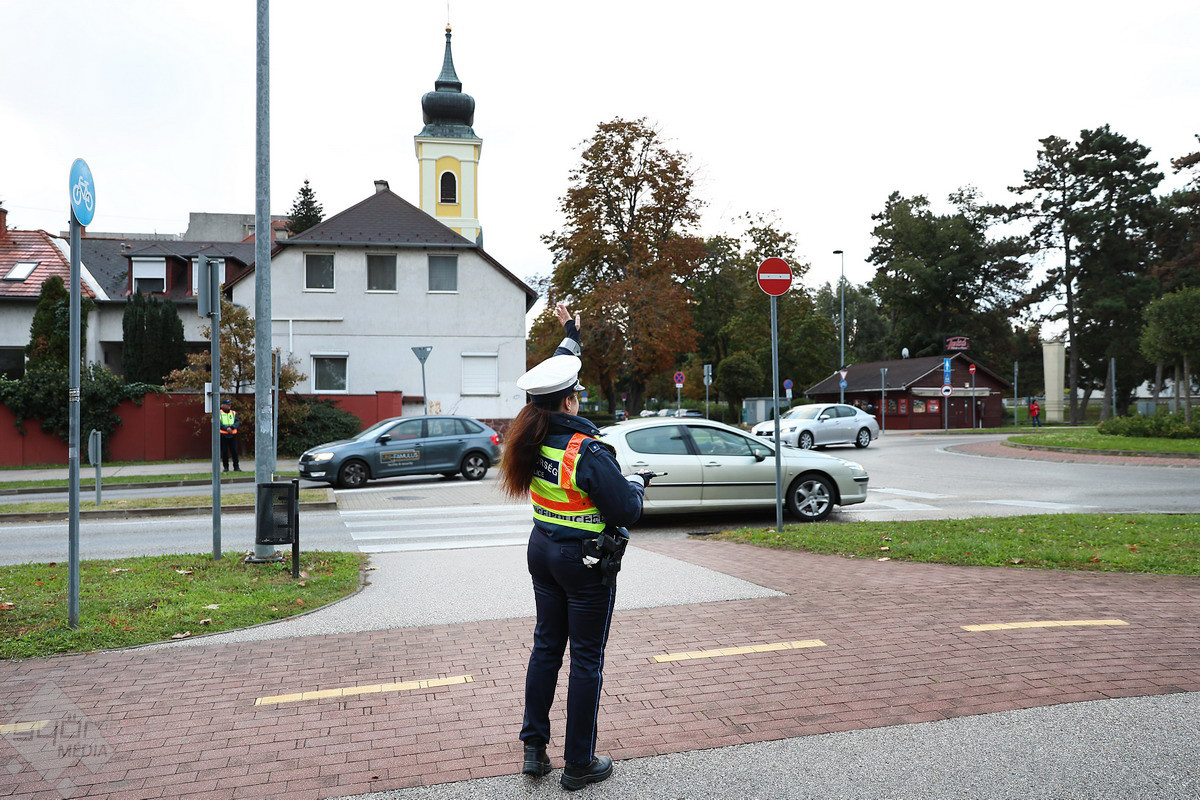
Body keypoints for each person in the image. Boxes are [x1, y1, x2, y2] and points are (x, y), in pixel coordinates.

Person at [500, 303, 650, 791]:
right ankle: (579, 764)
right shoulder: (587, 450)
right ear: (568, 402)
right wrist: (638, 484)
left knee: (547, 647)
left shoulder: (531, 435)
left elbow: (556, 374)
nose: (579, 399)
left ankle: (534, 749)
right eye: (577, 394)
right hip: (583, 563)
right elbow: (624, 510)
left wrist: (571, 334)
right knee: (586, 659)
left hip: (542, 550)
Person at [219, 398, 240, 471]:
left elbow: (237, 422)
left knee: (234, 451)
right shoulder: (219, 413)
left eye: (230, 404)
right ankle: (226, 467)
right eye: (227, 404)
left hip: (233, 434)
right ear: (222, 405)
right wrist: (226, 428)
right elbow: (218, 423)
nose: (229, 406)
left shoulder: (233, 413)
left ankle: (236, 467)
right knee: (224, 452)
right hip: (223, 434)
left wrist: (232, 427)